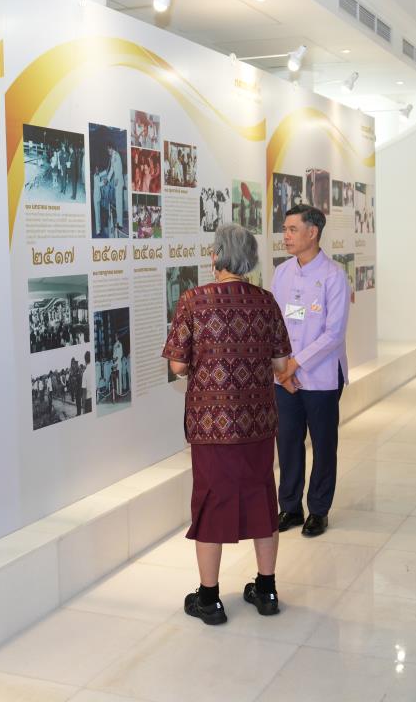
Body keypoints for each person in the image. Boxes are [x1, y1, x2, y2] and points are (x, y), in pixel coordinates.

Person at [163, 223, 292, 625]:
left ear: (216, 256)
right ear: (249, 259)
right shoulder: (266, 302)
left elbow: (177, 364)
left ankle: (210, 599)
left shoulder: (194, 301)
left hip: (211, 424)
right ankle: (267, 590)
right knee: (262, 498)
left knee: (211, 502)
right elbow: (281, 363)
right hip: (257, 422)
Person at [271, 204, 350, 538]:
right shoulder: (282, 272)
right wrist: (282, 369)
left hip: (321, 376)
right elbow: (274, 323)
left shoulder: (334, 276)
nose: (286, 236)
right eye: (285, 229)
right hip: (284, 376)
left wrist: (294, 364)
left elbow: (334, 334)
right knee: (288, 442)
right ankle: (290, 506)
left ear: (312, 232)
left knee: (322, 444)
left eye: (292, 229)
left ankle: (318, 509)